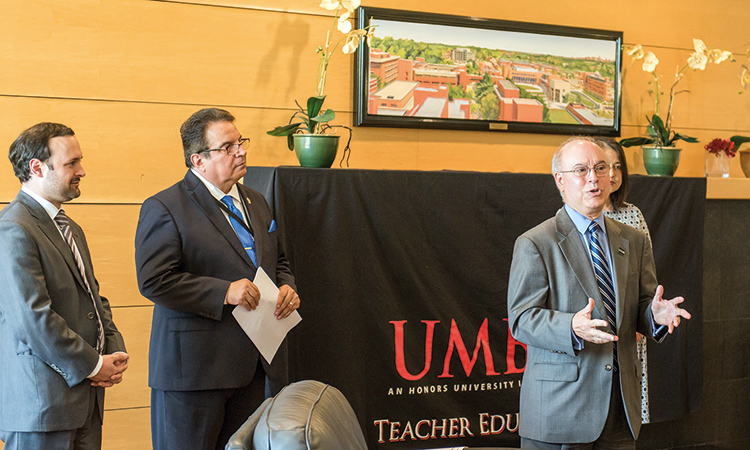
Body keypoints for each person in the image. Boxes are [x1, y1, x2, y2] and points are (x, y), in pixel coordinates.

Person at [507, 137, 690, 449]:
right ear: (560, 181)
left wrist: (654, 316)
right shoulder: (536, 242)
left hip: (619, 409)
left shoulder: (633, 239)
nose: (593, 177)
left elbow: (643, 305)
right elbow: (522, 319)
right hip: (559, 411)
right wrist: (571, 328)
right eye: (581, 170)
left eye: (600, 168)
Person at [135, 108, 300, 450]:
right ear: (198, 160)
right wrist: (224, 292)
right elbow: (154, 280)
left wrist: (287, 287)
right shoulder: (165, 207)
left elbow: (277, 260)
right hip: (194, 372)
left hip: (253, 365)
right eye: (227, 147)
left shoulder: (256, 200)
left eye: (240, 143)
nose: (240, 151)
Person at [0, 122, 129, 450]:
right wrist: (94, 365)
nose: (82, 171)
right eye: (71, 163)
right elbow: (33, 318)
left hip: (84, 403)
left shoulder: (69, 227)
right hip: (42, 408)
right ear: (37, 167)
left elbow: (94, 299)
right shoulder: (14, 229)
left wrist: (112, 350)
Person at [597, 137, 652, 424]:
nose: (613, 174)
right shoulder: (573, 218)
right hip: (592, 335)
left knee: (622, 421)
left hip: (630, 333)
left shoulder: (632, 215)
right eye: (606, 166)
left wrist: (640, 328)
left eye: (618, 166)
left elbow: (647, 277)